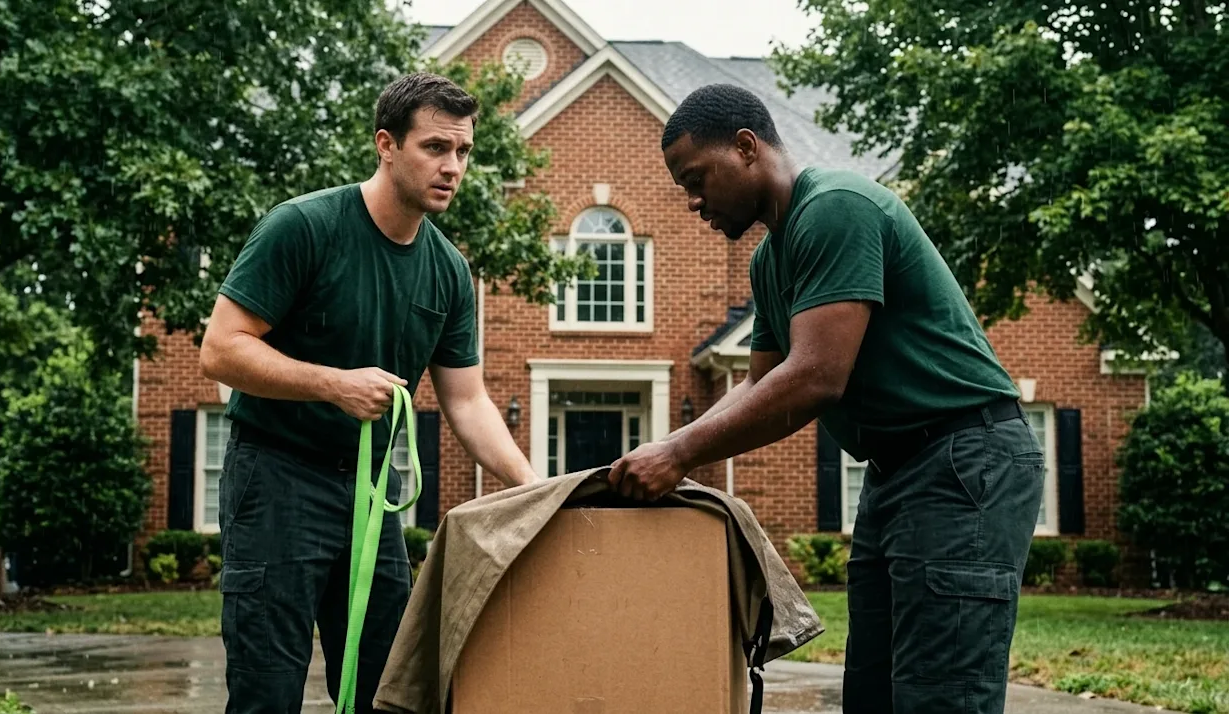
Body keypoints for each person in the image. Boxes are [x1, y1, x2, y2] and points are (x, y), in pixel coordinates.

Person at [608, 83, 1045, 713]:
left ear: (746, 147)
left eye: (696, 177)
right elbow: (760, 381)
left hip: (962, 461)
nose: (692, 200)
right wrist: (667, 451)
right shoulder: (771, 259)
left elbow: (816, 376)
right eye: (684, 186)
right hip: (896, 470)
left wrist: (676, 452)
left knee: (940, 697)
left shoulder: (836, 207)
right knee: (871, 695)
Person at [199, 72, 537, 714]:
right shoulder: (303, 227)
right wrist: (331, 384)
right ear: (386, 144)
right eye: (435, 147)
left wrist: (531, 484)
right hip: (275, 478)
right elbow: (221, 348)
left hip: (371, 492)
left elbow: (466, 400)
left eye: (463, 152)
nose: (452, 166)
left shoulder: (448, 271)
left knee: (389, 686)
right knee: (267, 688)